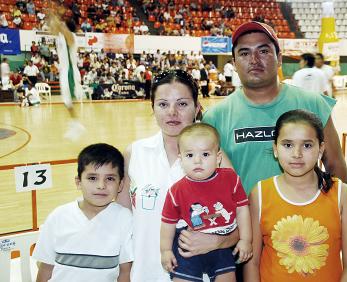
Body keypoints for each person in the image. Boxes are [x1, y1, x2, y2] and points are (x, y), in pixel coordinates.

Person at [116, 70, 240, 281]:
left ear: (197, 107)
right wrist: (124, 274)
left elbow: (240, 225)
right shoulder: (134, 154)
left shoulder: (216, 159)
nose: (172, 112)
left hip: (202, 274)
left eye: (182, 104)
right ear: (152, 108)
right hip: (146, 274)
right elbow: (121, 224)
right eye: (163, 104)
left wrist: (219, 242)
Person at [202, 21, 347, 197]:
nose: (254, 60)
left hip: (303, 221)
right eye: (244, 53)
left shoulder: (313, 103)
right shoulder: (214, 117)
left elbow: (335, 165)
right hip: (245, 222)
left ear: (279, 58)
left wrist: (335, 210)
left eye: (263, 51)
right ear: (234, 63)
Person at [244, 110, 347, 282]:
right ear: (275, 149)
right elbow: (251, 263)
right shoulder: (260, 194)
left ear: (320, 149)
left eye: (307, 145)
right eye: (288, 145)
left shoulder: (343, 195)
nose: (297, 154)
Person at [160, 123, 252, 281]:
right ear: (181, 159)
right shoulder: (176, 190)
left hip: (222, 245)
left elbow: (242, 210)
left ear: (218, 157)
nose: (197, 161)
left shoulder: (231, 179)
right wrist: (165, 251)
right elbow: (167, 223)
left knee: (228, 277)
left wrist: (245, 240)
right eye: (190, 155)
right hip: (188, 246)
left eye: (205, 154)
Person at [33, 143, 134, 282]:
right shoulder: (58, 217)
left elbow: (125, 272)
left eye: (110, 178)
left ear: (120, 185)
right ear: (78, 182)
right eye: (92, 178)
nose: (101, 185)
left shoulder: (125, 219)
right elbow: (45, 269)